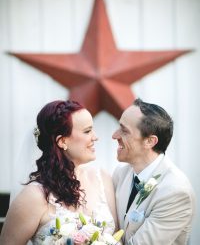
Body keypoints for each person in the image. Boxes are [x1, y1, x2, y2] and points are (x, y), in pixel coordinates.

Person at [0, 100, 118, 244]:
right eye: (87, 131)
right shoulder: (34, 197)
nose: (95, 137)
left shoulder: (102, 178)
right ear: (62, 141)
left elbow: (117, 237)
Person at [112, 98, 195, 245]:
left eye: (124, 131)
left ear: (149, 141)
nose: (115, 135)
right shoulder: (120, 174)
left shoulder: (175, 191)